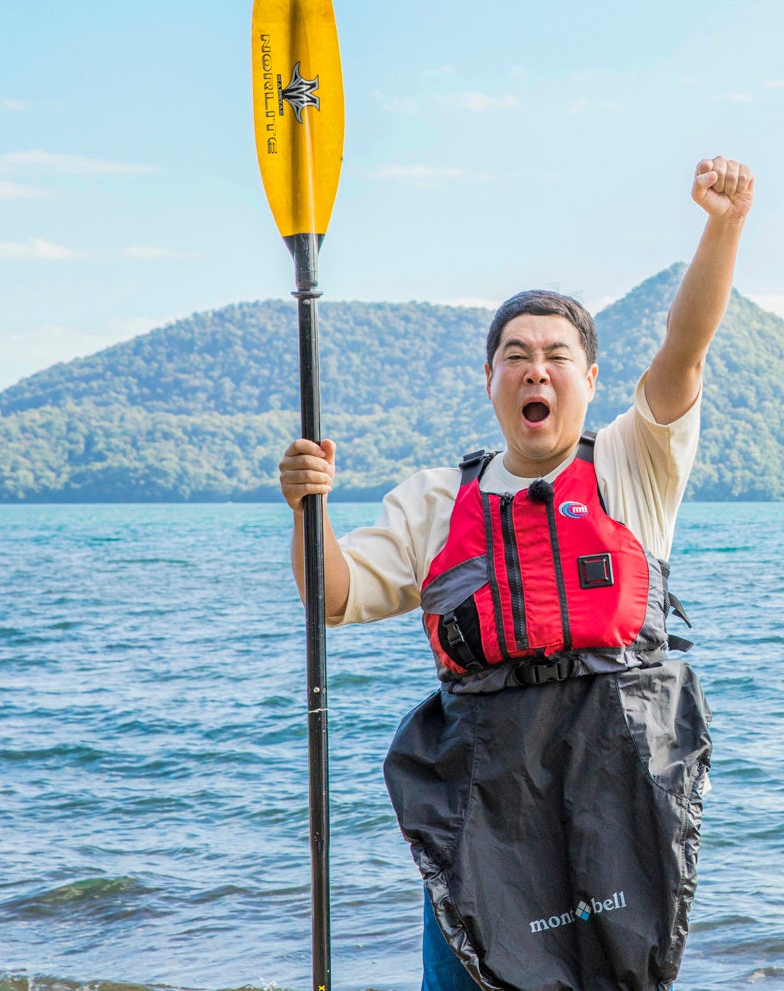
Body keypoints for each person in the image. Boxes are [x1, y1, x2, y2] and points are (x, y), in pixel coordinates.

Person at [277, 155, 755, 991]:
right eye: (515, 354)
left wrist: (724, 225)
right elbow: (334, 595)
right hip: (484, 804)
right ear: (491, 378)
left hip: (615, 786)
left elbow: (684, 351)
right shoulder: (434, 502)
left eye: (557, 355)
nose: (536, 368)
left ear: (590, 380)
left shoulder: (633, 466)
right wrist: (305, 509)